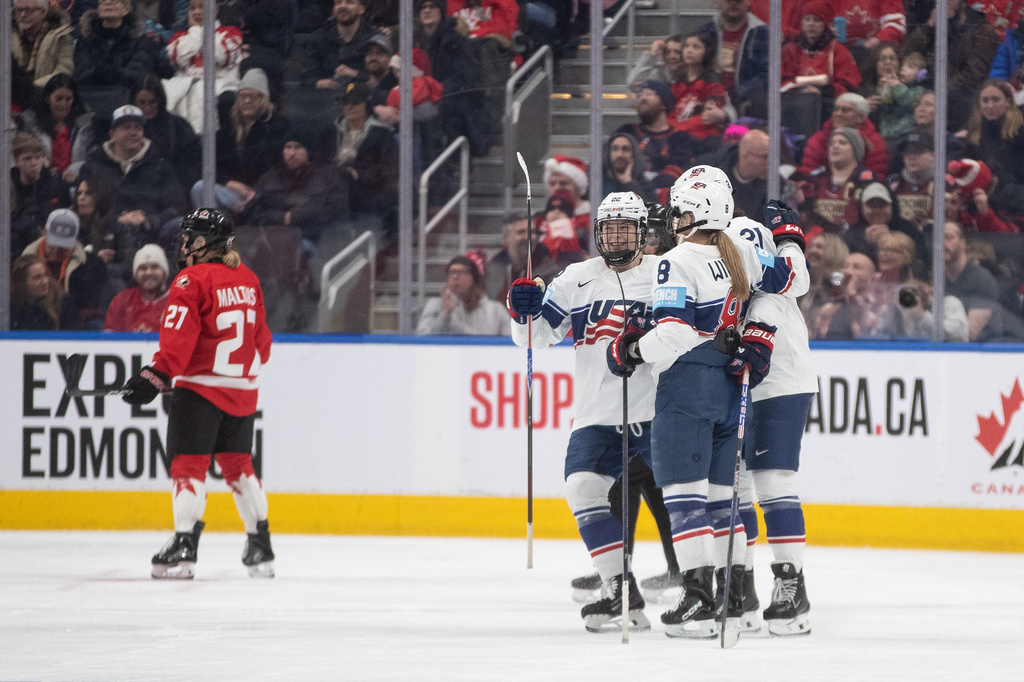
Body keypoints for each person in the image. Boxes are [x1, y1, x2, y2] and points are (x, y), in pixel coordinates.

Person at [605, 179, 798, 638]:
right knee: (721, 501)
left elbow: (674, 331)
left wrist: (631, 351)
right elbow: (791, 281)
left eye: (677, 211)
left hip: (687, 388)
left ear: (693, 214)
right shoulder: (742, 253)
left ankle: (699, 600)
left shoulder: (678, 260)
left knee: (685, 501)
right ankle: (735, 596)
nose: (672, 219)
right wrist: (789, 240)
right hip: (731, 386)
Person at [507, 192, 659, 633]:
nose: (614, 238)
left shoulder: (664, 271)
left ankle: (714, 589)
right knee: (582, 489)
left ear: (642, 232)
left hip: (659, 407)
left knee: (691, 497)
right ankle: (619, 590)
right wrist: (523, 313)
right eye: (607, 230)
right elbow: (534, 339)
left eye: (624, 229)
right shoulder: (576, 277)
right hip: (598, 410)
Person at [121, 208, 275, 580]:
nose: (184, 243)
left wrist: (154, 376)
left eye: (190, 237)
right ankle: (261, 547)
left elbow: (176, 342)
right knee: (240, 467)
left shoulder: (191, 280)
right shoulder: (248, 278)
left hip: (200, 392)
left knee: (188, 468)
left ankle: (184, 546)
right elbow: (263, 345)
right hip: (243, 391)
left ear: (205, 243)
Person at [78, 104, 187, 254]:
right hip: (105, 235)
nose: (133, 132)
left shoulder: (160, 165)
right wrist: (117, 220)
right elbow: (84, 207)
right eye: (126, 127)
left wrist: (149, 220)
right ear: (112, 134)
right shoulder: (94, 165)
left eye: (137, 128)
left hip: (153, 234)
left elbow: (177, 205)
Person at [203, 69, 290, 212]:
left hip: (261, 196)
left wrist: (253, 191)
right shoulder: (227, 131)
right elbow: (212, 166)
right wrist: (228, 183)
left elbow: (277, 169)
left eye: (253, 96)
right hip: (229, 192)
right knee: (201, 188)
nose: (247, 101)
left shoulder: (277, 128)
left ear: (264, 99)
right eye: (242, 96)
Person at [162, 0, 243, 134]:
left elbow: (220, 55)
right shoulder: (179, 36)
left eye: (202, 7)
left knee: (202, 91)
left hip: (221, 88)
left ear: (215, 10)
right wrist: (195, 30)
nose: (197, 12)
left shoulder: (231, 32)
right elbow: (178, 58)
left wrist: (203, 30)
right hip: (186, 92)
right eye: (192, 8)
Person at [22, 208, 110, 330]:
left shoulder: (92, 265)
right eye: (54, 241)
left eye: (64, 243)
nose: (57, 248)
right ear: (45, 232)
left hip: (73, 325)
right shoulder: (23, 264)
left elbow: (93, 305)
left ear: (76, 237)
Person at [614, 80, 695, 204]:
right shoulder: (626, 132)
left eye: (649, 93)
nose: (643, 98)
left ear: (664, 103)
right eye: (640, 94)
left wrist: (645, 188)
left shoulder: (679, 138)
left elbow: (676, 172)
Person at [780, 0, 862, 118]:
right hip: (796, 104)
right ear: (802, 23)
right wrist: (800, 91)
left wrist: (822, 92)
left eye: (816, 20)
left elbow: (849, 87)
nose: (811, 24)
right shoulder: (791, 50)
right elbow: (782, 81)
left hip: (828, 108)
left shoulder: (838, 51)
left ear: (825, 24)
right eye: (807, 19)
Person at [334, 81, 398, 228]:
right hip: (333, 195)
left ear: (368, 106)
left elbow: (389, 171)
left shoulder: (382, 135)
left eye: (355, 102)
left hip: (366, 196)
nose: (349, 106)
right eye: (346, 102)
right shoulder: (331, 133)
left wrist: (358, 174)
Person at [15, 73, 97, 183]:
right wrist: (43, 168)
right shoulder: (31, 124)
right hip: (41, 184)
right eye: (58, 99)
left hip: (76, 186)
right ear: (48, 98)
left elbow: (93, 159)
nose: (64, 104)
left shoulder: (86, 126)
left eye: (68, 99)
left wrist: (76, 171)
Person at [696, 0, 769, 117]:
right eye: (728, 0)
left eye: (739, 0)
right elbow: (692, 69)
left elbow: (767, 76)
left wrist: (736, 96)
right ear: (718, 2)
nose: (733, 3)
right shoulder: (704, 33)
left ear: (748, 2)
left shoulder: (764, 33)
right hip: (708, 101)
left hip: (747, 104)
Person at [964, 79, 1024, 222]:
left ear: (1008, 101)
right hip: (982, 202)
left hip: (1014, 206)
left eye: (996, 100)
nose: (990, 105)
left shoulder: (1020, 134)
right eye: (985, 100)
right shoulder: (972, 136)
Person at [797, 127, 875, 233]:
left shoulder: (867, 181)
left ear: (857, 149)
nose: (835, 146)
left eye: (842, 143)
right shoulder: (816, 179)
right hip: (817, 240)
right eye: (832, 143)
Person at [130, 74, 202, 189]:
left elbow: (191, 166)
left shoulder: (179, 127)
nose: (147, 107)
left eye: (152, 102)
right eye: (142, 103)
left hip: (173, 189)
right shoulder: (126, 129)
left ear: (160, 101)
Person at [73, 0, 165, 88]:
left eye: (115, 1)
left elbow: (140, 73)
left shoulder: (141, 40)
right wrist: (96, 72)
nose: (108, 2)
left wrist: (117, 73)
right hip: (91, 95)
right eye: (103, 1)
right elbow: (80, 73)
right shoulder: (86, 39)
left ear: (126, 9)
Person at [797, 93, 888, 177]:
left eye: (845, 110)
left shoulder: (874, 141)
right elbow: (808, 173)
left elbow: (876, 176)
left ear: (861, 117)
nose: (838, 113)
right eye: (836, 109)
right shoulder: (818, 139)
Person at [10, 131, 71, 256]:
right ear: (16, 161)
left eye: (37, 157)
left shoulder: (56, 185)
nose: (34, 163)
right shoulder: (7, 188)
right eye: (27, 158)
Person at [669, 31, 732, 147]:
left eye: (696, 47)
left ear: (706, 52)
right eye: (686, 46)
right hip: (678, 136)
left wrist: (678, 129)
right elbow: (671, 113)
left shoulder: (713, 82)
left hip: (704, 139)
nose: (689, 50)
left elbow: (707, 117)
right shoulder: (677, 82)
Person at [417, 255, 507, 335]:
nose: (455, 277)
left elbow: (511, 342)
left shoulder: (495, 310)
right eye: (451, 272)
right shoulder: (435, 305)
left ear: (473, 278)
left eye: (461, 272)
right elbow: (422, 337)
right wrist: (445, 315)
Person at [944, 220, 1002, 341]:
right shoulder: (935, 278)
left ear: (963, 243)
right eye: (938, 238)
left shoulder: (981, 279)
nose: (943, 243)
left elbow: (970, 333)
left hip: (981, 353)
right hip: (938, 350)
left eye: (949, 237)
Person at [844, 181, 929, 263]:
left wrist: (892, 239)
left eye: (882, 204)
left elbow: (920, 262)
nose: (877, 210)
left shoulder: (909, 230)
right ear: (861, 208)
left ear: (892, 206)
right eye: (871, 205)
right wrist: (867, 244)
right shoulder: (852, 233)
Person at [483, 215, 563, 301]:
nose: (527, 237)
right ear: (506, 237)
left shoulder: (550, 269)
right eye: (521, 232)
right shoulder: (493, 268)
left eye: (532, 232)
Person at [301, 0, 375, 90]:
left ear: (361, 9)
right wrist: (318, 83)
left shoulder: (373, 38)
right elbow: (305, 77)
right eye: (338, 2)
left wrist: (356, 74)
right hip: (326, 98)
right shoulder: (319, 37)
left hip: (363, 96)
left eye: (349, 2)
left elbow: (383, 77)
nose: (342, 6)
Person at [103, 243, 170, 331]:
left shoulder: (177, 301)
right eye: (143, 268)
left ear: (165, 272)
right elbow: (108, 338)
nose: (148, 272)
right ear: (135, 275)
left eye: (154, 267)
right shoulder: (122, 300)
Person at [11, 0, 73, 89]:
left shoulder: (61, 37)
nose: (23, 15)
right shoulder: (6, 37)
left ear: (43, 12)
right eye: (19, 10)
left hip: (46, 95)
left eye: (29, 10)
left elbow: (64, 71)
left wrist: (31, 88)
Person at [800, 232, 849, 320]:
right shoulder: (799, 282)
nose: (812, 251)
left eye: (819, 247)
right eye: (810, 246)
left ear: (835, 252)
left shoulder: (840, 286)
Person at [10, 254, 65, 330]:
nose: (45, 281)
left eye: (45, 275)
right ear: (21, 282)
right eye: (37, 277)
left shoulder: (61, 302)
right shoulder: (9, 307)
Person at [603, 133, 656, 203]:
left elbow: (647, 210)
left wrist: (628, 182)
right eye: (615, 149)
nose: (619, 154)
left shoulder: (646, 186)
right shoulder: (600, 183)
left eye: (625, 149)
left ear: (634, 154)